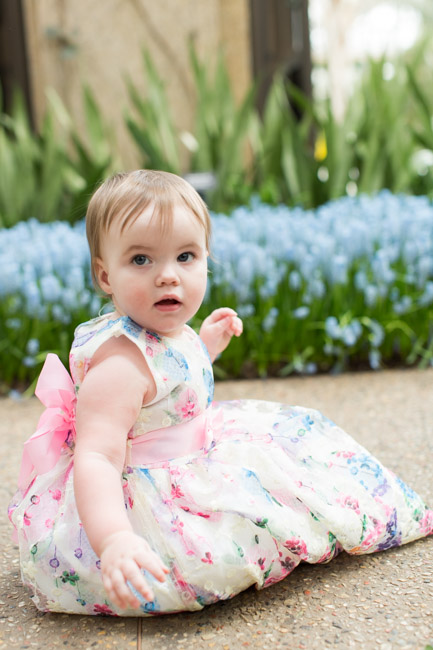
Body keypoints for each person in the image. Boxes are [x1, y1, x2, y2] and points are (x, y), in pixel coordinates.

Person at [9, 170, 432, 616]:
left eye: (186, 256)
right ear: (105, 275)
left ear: (207, 258)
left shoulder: (163, 332)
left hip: (198, 449)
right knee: (232, 542)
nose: (168, 276)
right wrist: (114, 539)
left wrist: (203, 345)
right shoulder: (118, 368)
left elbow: (168, 388)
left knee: (299, 449)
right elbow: (97, 458)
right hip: (134, 496)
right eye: (140, 260)